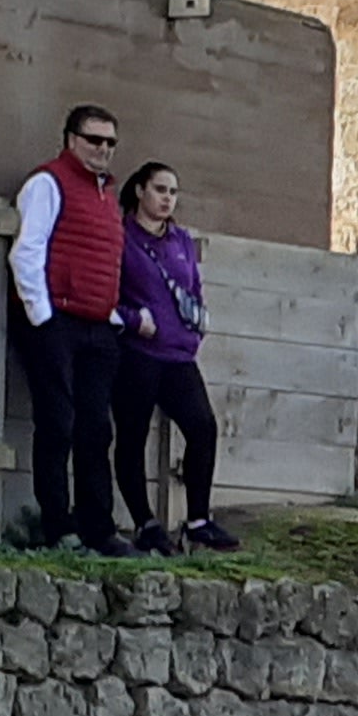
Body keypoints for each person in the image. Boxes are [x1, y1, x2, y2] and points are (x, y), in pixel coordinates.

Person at [9, 104, 129, 553]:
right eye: (94, 140)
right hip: (57, 321)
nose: (103, 149)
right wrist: (42, 317)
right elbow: (27, 251)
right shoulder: (47, 183)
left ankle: (99, 528)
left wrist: (112, 315)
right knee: (57, 424)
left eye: (110, 142)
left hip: (97, 325)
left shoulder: (107, 194)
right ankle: (58, 527)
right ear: (71, 140)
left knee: (96, 430)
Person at [111, 161, 233, 552]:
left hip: (178, 355)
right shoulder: (121, 236)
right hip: (137, 353)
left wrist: (195, 326)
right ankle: (145, 523)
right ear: (139, 191)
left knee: (203, 426)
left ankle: (198, 520)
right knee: (132, 437)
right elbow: (106, 293)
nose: (167, 199)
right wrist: (134, 321)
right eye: (160, 190)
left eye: (173, 192)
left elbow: (193, 287)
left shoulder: (180, 239)